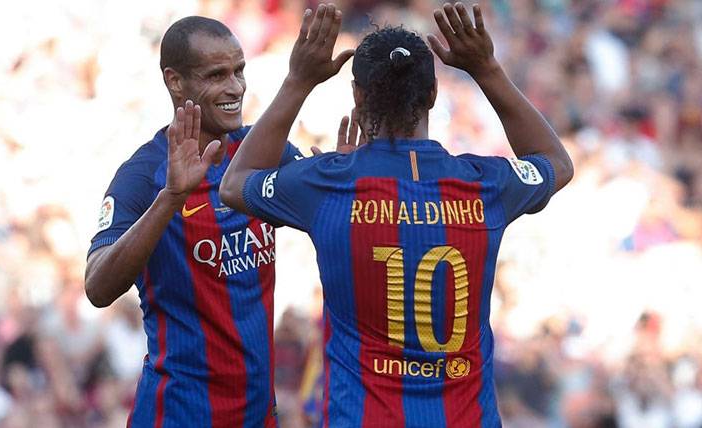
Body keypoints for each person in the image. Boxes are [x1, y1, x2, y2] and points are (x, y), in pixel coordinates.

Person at [219, 2, 574, 426]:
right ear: (433, 95)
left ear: (357, 95)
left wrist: (299, 81)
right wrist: (486, 69)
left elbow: (235, 183)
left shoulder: (327, 185)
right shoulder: (484, 184)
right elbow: (556, 162)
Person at [83, 16, 305, 426]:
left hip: (257, 415)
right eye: (216, 75)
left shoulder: (263, 153)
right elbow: (97, 287)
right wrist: (171, 198)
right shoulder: (143, 174)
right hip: (179, 414)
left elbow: (336, 215)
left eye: (239, 71)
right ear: (175, 81)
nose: (235, 87)